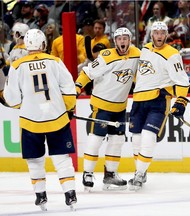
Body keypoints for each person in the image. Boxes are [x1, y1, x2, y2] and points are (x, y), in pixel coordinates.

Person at [3, 29, 77, 209]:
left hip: (30, 120)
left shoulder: (17, 66)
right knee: (62, 158)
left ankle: (40, 194)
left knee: (35, 159)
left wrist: (26, 104)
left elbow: (12, 99)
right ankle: (70, 193)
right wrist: (67, 108)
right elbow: (69, 87)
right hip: (56, 117)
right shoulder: (55, 61)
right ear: (43, 44)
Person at [75, 27, 140, 191]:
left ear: (130, 40)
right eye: (119, 39)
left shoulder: (136, 54)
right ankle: (87, 173)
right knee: (96, 139)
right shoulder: (106, 56)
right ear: (115, 41)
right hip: (101, 105)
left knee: (117, 140)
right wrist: (76, 89)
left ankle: (110, 174)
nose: (123, 41)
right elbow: (88, 72)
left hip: (120, 107)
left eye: (125, 38)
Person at [128, 21, 190, 191]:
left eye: (163, 33)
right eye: (156, 33)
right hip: (139, 99)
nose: (160, 36)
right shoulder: (145, 49)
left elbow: (182, 81)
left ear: (166, 35)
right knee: (136, 139)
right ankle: (140, 170)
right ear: (151, 35)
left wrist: (181, 102)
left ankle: (139, 174)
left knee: (148, 137)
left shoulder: (172, 54)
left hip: (158, 100)